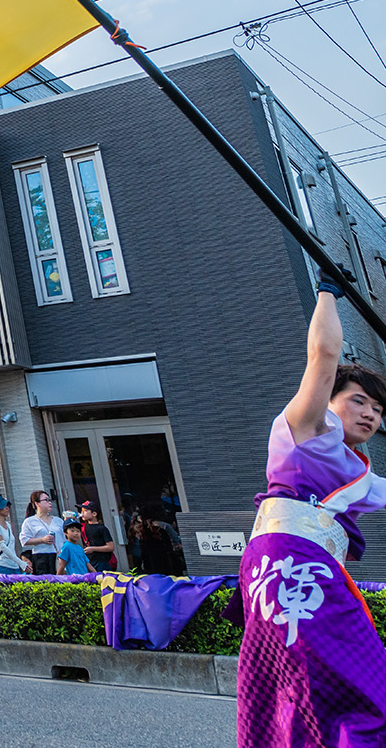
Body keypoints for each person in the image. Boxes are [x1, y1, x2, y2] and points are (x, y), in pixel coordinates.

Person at [238, 270, 386, 744]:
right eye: (359, 401)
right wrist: (327, 292)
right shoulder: (304, 428)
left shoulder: (357, 472)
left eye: (378, 411)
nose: (370, 414)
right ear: (329, 402)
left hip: (314, 570)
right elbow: (324, 356)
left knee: (361, 678)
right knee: (309, 677)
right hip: (285, 566)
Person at [19, 490, 63, 575]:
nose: (49, 503)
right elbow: (24, 540)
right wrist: (42, 540)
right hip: (41, 557)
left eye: (50, 500)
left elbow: (65, 539)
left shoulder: (58, 521)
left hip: (59, 556)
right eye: (46, 500)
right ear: (37, 503)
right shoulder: (30, 521)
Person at [78, 501, 118, 571]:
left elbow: (111, 547)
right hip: (90, 561)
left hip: (102, 562)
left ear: (94, 514)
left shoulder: (102, 528)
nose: (82, 513)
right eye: (82, 511)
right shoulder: (83, 527)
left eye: (85, 511)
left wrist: (93, 549)